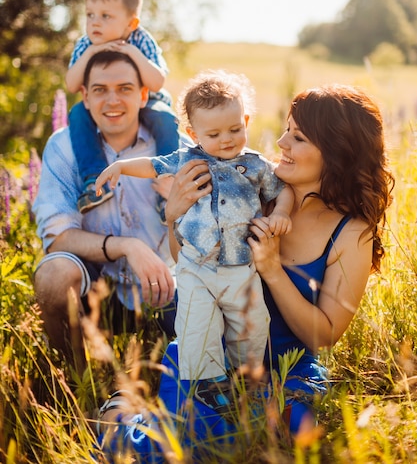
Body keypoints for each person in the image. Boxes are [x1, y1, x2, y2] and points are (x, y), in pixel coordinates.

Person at [95, 82, 394, 460]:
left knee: (297, 435)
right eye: (286, 130)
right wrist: (173, 217)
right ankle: (121, 418)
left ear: (337, 151)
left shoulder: (351, 232)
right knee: (196, 450)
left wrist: (272, 269)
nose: (282, 143)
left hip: (285, 367)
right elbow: (188, 258)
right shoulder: (247, 185)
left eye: (298, 137)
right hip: (211, 353)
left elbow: (324, 335)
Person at [95, 70, 294, 412]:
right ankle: (209, 386)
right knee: (197, 325)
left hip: (240, 266)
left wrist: (281, 214)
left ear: (245, 120)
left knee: (252, 323)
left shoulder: (257, 165)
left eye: (235, 129)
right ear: (193, 134)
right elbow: (154, 165)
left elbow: (283, 190)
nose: (227, 139)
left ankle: (245, 377)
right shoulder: (188, 158)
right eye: (214, 133)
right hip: (195, 265)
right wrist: (121, 167)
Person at [33, 50, 177, 371]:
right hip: (98, 286)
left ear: (143, 95)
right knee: (53, 276)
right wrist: (127, 246)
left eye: (124, 88)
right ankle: (79, 386)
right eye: (100, 90)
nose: (112, 100)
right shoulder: (65, 146)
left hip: (166, 284)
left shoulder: (172, 147)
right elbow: (56, 238)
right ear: (84, 97)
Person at [66, 0, 179, 214]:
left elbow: (157, 82)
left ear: (131, 24)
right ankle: (94, 180)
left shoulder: (140, 40)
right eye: (90, 15)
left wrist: (132, 53)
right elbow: (71, 84)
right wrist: (91, 52)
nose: (95, 22)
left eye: (106, 16)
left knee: (165, 119)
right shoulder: (85, 44)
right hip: (100, 104)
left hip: (148, 101)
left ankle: (167, 184)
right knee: (76, 114)